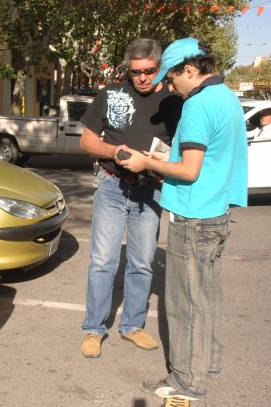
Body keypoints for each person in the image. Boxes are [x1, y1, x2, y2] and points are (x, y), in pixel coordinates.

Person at [117, 38, 248, 403]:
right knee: (206, 297)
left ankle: (187, 380)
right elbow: (210, 160)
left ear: (190, 70)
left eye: (172, 79)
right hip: (216, 211)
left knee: (185, 302)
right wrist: (166, 163)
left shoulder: (197, 105)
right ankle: (207, 363)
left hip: (193, 216)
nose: (170, 87)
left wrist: (146, 162)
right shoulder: (226, 97)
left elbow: (189, 171)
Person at [79, 38, 183, 358]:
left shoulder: (174, 102)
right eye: (136, 71)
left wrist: (164, 168)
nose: (142, 77)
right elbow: (86, 141)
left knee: (141, 262)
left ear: (160, 67)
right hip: (112, 186)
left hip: (150, 190)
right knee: (102, 261)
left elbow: (183, 149)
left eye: (149, 71)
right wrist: (113, 151)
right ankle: (94, 329)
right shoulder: (111, 94)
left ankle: (132, 326)